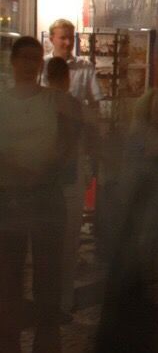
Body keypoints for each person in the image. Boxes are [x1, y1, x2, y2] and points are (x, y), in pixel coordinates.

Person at [0, 36, 71, 353]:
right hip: (9, 198)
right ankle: (9, 340)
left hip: (45, 196)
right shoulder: (3, 101)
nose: (31, 64)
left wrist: (49, 166)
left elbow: (68, 144)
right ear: (13, 62)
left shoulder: (54, 101)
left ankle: (46, 340)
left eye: (36, 58)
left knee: (48, 276)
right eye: (25, 58)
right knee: (8, 277)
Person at [43, 58, 90, 321]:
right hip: (69, 183)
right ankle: (63, 302)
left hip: (43, 183)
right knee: (67, 246)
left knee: (45, 246)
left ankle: (46, 301)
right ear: (66, 78)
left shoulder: (39, 102)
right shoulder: (73, 105)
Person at [44, 20, 100, 109]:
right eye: (63, 38)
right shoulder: (42, 65)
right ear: (51, 39)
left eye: (71, 38)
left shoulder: (86, 67)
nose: (68, 43)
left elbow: (95, 102)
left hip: (75, 120)